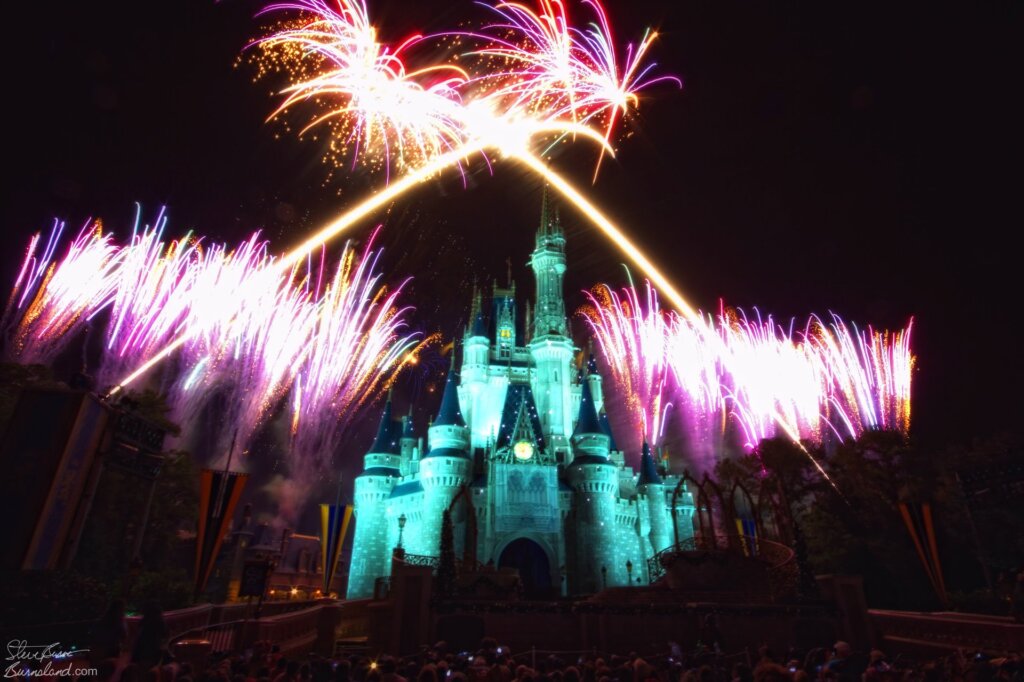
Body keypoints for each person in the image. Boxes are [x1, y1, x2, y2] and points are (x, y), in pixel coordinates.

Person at [132, 602, 170, 670]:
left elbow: (138, 636)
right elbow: (165, 635)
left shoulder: (144, 622)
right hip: (154, 649)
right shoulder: (160, 622)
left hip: (143, 649)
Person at [90, 599, 127, 663]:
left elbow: (94, 633)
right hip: (111, 648)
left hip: (101, 648)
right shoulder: (119, 621)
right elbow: (123, 635)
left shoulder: (103, 619)